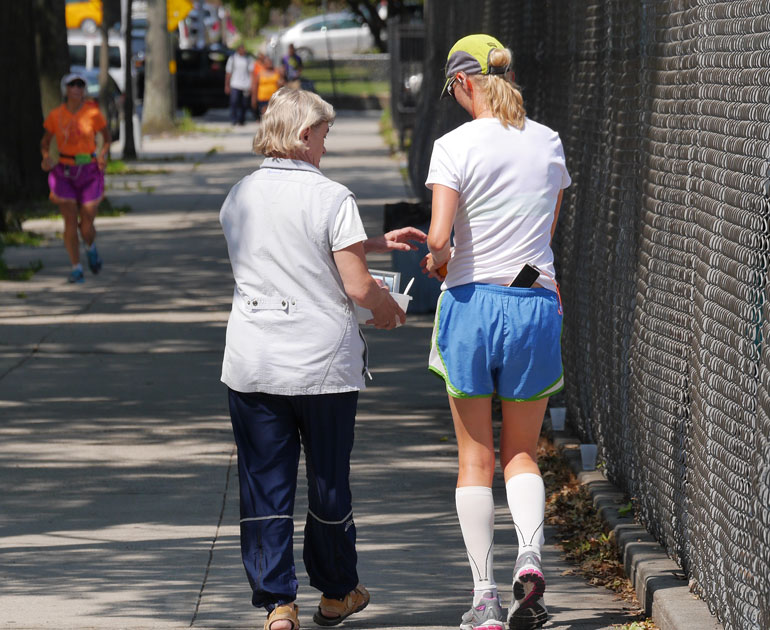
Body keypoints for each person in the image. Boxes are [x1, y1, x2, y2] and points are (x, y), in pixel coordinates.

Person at [219, 87, 427, 630]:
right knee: (329, 480)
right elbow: (356, 286)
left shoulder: (238, 195)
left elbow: (286, 248)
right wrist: (387, 310)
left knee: (265, 480)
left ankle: (277, 602)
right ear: (305, 133)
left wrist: (374, 240)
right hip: (321, 364)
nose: (327, 147)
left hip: (254, 360)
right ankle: (336, 591)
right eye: (325, 135)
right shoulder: (332, 198)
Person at [421, 34, 571, 630]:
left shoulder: (453, 145)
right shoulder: (548, 141)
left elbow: (438, 241)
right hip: (532, 304)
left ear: (463, 83)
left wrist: (437, 262)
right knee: (523, 452)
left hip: (470, 307)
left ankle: (484, 598)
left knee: (475, 458)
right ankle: (530, 557)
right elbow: (543, 239)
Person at [40, 72, 110, 284]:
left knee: (86, 224)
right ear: (66, 89)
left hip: (88, 170)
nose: (77, 88)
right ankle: (76, 267)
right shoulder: (56, 115)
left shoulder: (93, 112)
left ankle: (90, 247)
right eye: (73, 85)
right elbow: (45, 142)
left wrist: (102, 155)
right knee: (70, 221)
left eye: (81, 85)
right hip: (64, 171)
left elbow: (106, 138)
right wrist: (46, 157)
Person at [225, 43, 255, 125]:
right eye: (242, 49)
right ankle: (233, 119)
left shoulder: (248, 59)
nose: (243, 51)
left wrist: (252, 85)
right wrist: (227, 85)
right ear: (238, 50)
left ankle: (241, 119)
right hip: (235, 84)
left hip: (245, 84)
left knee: (244, 103)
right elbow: (228, 73)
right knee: (234, 102)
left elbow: (251, 72)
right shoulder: (233, 59)